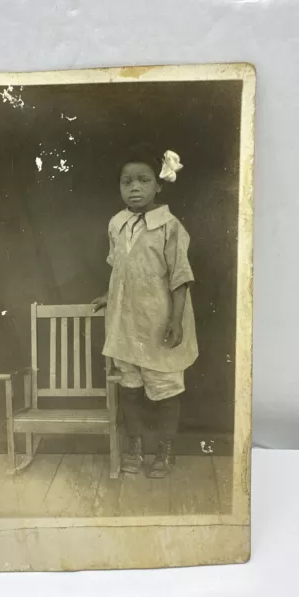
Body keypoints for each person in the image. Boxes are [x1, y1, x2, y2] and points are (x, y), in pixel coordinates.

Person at [92, 144, 198, 478]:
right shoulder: (117, 224)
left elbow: (180, 278)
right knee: (131, 386)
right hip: (125, 323)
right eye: (127, 181)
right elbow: (121, 269)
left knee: (165, 388)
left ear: (159, 185)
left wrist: (176, 320)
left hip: (159, 322)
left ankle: (165, 453)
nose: (134, 188)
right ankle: (134, 449)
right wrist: (109, 295)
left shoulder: (170, 226)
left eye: (143, 180)